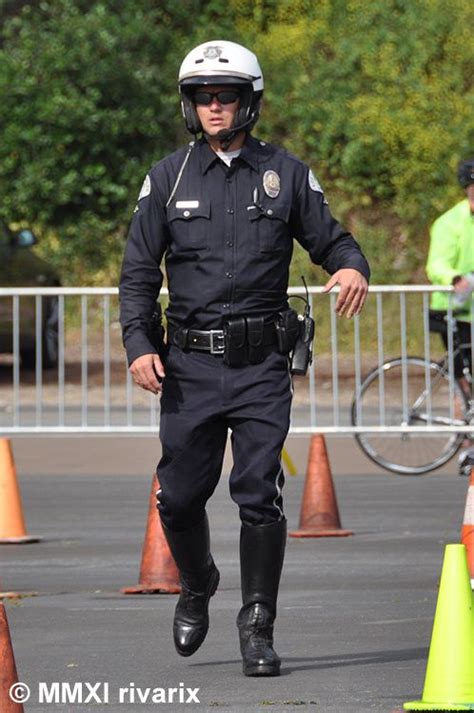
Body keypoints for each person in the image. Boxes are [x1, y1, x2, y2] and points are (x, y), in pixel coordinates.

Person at [119, 40, 370, 677]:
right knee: (177, 497)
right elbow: (139, 274)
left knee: (259, 494)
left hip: (261, 366)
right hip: (190, 368)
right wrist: (139, 345)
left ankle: (258, 625)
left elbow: (332, 240)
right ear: (189, 105)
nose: (213, 107)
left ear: (248, 102)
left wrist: (350, 268)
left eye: (225, 96)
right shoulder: (166, 177)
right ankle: (197, 584)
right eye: (202, 97)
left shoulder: (284, 174)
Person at [426, 158, 474, 383]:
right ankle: (462, 417)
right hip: (454, 309)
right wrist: (454, 278)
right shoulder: (450, 222)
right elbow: (436, 264)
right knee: (461, 377)